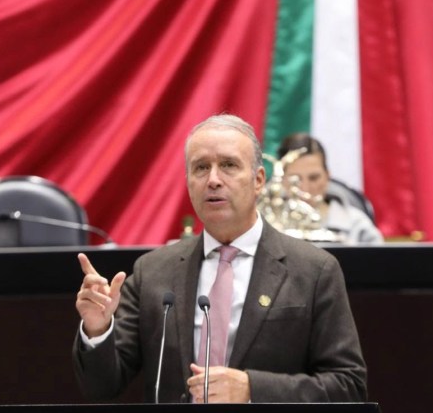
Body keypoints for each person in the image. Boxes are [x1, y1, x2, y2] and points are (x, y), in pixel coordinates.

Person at [73, 114, 367, 403]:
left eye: (228, 165)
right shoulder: (152, 272)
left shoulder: (314, 270)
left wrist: (252, 389)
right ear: (189, 182)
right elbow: (101, 388)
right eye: (201, 167)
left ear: (258, 180)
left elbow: (349, 386)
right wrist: (98, 330)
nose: (213, 180)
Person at [277, 133, 384, 245]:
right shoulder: (267, 224)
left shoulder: (358, 226)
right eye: (295, 180)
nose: (305, 188)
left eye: (314, 178)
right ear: (281, 179)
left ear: (327, 176)